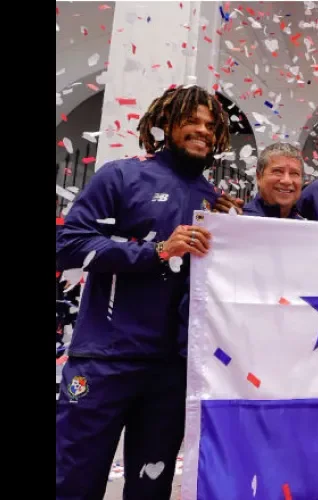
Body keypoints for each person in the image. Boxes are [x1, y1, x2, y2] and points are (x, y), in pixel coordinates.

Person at [55, 85, 228, 500]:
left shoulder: (215, 203)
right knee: (73, 483)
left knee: (150, 489)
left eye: (211, 125)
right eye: (192, 121)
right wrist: (156, 251)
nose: (203, 131)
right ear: (166, 123)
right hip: (105, 361)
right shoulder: (120, 174)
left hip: (171, 370)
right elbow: (68, 245)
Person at [243, 142, 305, 219]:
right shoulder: (237, 222)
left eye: (294, 173)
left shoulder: (307, 228)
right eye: (278, 172)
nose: (287, 181)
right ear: (259, 177)